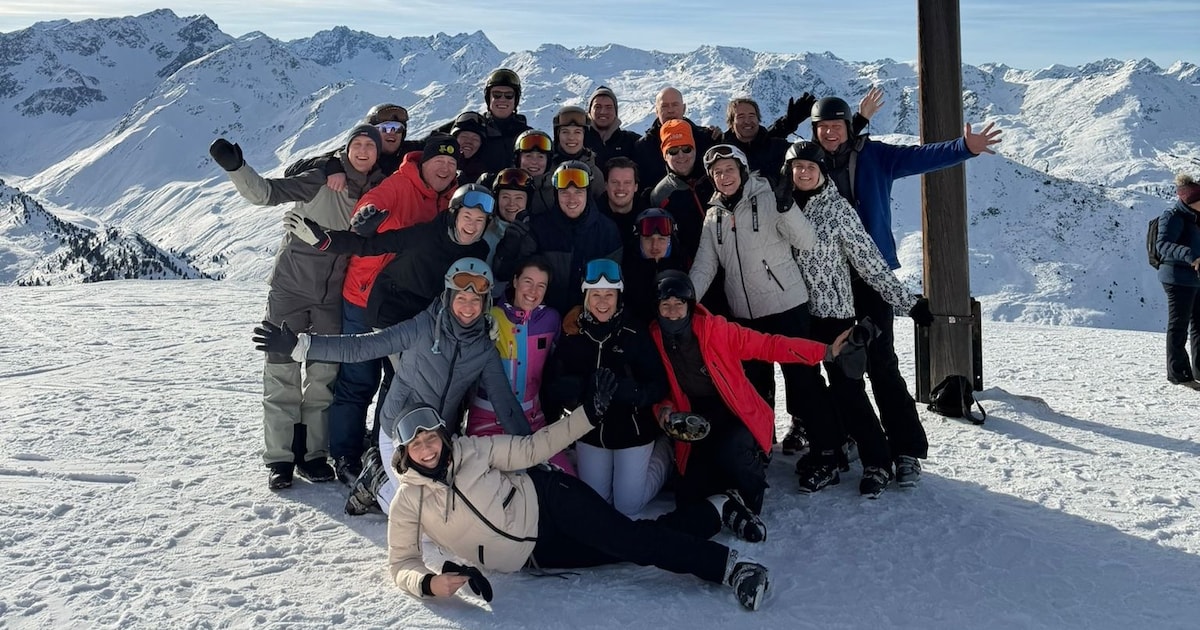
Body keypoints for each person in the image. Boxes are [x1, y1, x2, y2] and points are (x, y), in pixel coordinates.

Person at [381, 397, 772, 611]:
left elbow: (532, 447)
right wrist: (429, 583)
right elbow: (402, 563)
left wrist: (587, 414)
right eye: (417, 445)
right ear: (405, 454)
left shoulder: (473, 451)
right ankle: (716, 510)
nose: (428, 448)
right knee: (628, 545)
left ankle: (731, 568)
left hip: (551, 500)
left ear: (442, 437)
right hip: (538, 556)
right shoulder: (408, 501)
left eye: (431, 438)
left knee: (630, 542)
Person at [812, 94, 1002, 486]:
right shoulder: (805, 167)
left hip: (873, 277)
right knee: (841, 369)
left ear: (848, 128)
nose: (830, 133)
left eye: (836, 126)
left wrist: (964, 148)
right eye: (822, 127)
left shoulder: (876, 156)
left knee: (881, 364)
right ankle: (863, 444)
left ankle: (905, 450)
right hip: (829, 282)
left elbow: (920, 157)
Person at [253, 258, 535, 515]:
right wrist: (302, 346)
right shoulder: (422, 328)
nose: (468, 307)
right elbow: (363, 346)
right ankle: (375, 477)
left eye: (476, 300)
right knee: (412, 515)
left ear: (485, 304)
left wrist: (532, 451)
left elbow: (504, 403)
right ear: (448, 296)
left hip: (439, 439)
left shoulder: (483, 349)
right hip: (397, 432)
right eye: (461, 297)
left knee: (451, 509)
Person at [208, 124, 385, 489]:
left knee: (322, 379)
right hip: (290, 290)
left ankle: (314, 454)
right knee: (282, 373)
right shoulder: (321, 178)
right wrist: (237, 168)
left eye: (371, 145)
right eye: (358, 144)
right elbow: (268, 193)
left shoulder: (379, 190)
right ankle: (280, 459)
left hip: (332, 298)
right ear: (347, 148)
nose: (364, 150)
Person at [782, 140, 931, 497]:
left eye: (810, 167)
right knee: (809, 395)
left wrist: (907, 302)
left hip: (836, 316)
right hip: (800, 317)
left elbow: (870, 263)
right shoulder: (781, 208)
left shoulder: (839, 210)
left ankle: (877, 461)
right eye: (797, 167)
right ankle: (828, 457)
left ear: (821, 172)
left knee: (848, 391)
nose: (803, 173)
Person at [649, 271, 858, 515]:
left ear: (690, 306)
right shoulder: (654, 338)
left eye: (679, 304)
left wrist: (825, 351)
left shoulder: (715, 331)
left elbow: (770, 345)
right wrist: (664, 409)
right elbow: (660, 388)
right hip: (693, 419)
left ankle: (752, 482)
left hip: (733, 412)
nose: (673, 312)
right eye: (666, 305)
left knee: (732, 454)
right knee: (690, 495)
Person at [325, 134, 461, 483]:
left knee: (398, 381)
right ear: (424, 163)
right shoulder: (400, 185)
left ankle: (380, 448)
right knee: (359, 378)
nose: (444, 168)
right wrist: (363, 220)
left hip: (404, 305)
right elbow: (369, 206)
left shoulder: (450, 199)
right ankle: (344, 454)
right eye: (438, 162)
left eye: (451, 163)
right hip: (365, 296)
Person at [689, 144, 826, 452]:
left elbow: (806, 241)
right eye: (717, 172)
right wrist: (685, 301)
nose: (724, 177)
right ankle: (760, 442)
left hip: (786, 306)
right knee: (754, 386)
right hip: (745, 315)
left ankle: (824, 448)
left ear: (742, 170)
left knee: (802, 381)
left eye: (730, 170)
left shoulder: (768, 199)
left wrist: (788, 207)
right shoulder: (714, 217)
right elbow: (705, 265)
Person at [542, 259, 670, 517]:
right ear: (585, 297)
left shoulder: (634, 332)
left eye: (609, 295)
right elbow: (552, 382)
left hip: (631, 433)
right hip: (590, 432)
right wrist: (575, 389)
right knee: (597, 503)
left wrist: (633, 393)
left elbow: (659, 383)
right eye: (595, 294)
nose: (602, 302)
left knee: (627, 506)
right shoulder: (573, 333)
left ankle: (665, 451)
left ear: (619, 296)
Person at [464, 257, 574, 473]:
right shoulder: (489, 317)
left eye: (540, 285)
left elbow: (563, 357)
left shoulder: (551, 320)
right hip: (487, 421)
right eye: (527, 282)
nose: (533, 291)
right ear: (514, 281)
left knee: (568, 483)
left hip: (534, 422)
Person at [492, 160, 623, 314]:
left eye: (578, 192)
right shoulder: (539, 227)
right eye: (564, 192)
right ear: (555, 194)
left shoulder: (607, 230)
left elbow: (612, 286)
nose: (571, 199)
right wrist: (508, 248)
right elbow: (508, 275)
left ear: (587, 194)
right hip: (543, 316)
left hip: (589, 316)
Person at [1156, 173, 1200, 387]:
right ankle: (1179, 374)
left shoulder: (1196, 218)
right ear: (1190, 201)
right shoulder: (1173, 216)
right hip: (1176, 277)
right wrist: (1191, 256)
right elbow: (1162, 245)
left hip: (1196, 278)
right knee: (1179, 325)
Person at [621, 208, 688, 323]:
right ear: (638, 240)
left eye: (661, 239)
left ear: (671, 241)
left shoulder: (685, 269)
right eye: (648, 239)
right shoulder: (624, 274)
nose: (655, 246)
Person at [549, 105, 606, 199]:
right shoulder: (546, 167)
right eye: (565, 132)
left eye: (577, 132)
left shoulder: (595, 173)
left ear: (585, 136)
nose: (571, 137)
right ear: (558, 136)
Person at [584, 85, 640, 167]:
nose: (603, 112)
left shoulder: (631, 141)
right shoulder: (578, 139)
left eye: (609, 107)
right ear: (589, 111)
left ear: (615, 111)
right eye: (597, 107)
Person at [597, 156, 643, 241]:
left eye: (627, 182)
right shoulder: (591, 218)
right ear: (606, 185)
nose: (621, 188)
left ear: (636, 187)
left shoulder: (647, 218)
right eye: (615, 182)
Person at [450, 111, 489, 185]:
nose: (469, 142)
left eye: (475, 139)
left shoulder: (483, 174)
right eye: (464, 137)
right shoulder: (439, 163)